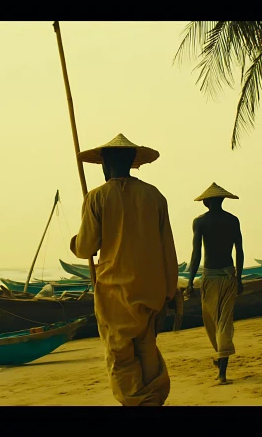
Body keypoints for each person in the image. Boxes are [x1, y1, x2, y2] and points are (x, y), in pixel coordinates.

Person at [69, 133, 179, 406]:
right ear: (132, 162)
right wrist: (170, 291)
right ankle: (151, 399)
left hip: (114, 292)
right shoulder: (154, 196)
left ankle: (139, 402)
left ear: (105, 165)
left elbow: (85, 248)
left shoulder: (97, 198)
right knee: (146, 347)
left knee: (120, 354)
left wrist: (76, 242)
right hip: (150, 290)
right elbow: (168, 248)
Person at [185, 183, 243, 386]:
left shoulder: (200, 222)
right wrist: (240, 278)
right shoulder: (232, 220)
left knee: (215, 323)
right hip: (228, 275)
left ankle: (222, 372)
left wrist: (190, 282)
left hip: (212, 277)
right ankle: (221, 361)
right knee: (221, 323)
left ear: (208, 202)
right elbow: (239, 251)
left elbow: (196, 254)